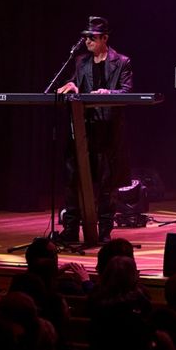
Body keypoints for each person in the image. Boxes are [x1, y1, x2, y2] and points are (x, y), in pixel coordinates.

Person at [56, 16, 133, 244]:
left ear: (104, 38)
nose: (87, 41)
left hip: (108, 132)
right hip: (84, 129)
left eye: (92, 37)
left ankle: (104, 231)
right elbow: (77, 85)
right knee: (74, 180)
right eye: (85, 37)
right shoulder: (81, 61)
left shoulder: (122, 62)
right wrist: (72, 85)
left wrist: (109, 93)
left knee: (107, 184)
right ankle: (71, 230)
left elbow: (127, 91)